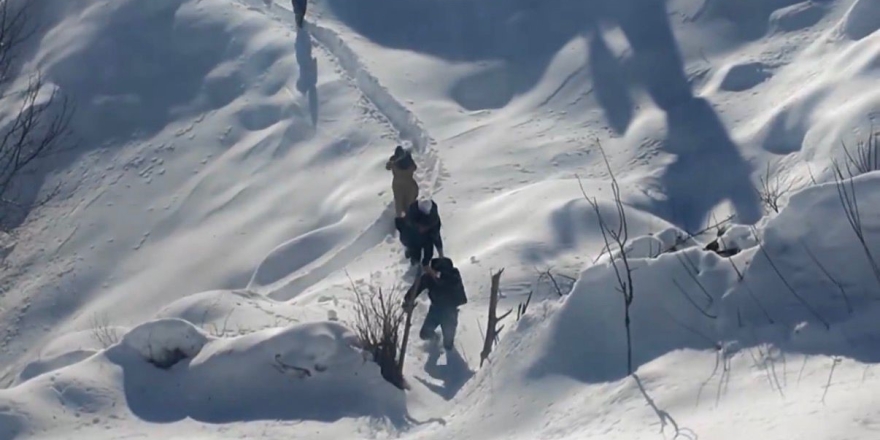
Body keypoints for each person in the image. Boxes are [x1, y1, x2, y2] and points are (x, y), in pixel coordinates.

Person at [403, 257, 467, 350]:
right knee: (425, 334)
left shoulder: (454, 275)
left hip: (450, 312)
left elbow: (447, 282)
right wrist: (408, 300)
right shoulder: (429, 277)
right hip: (435, 310)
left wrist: (436, 275)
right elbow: (417, 287)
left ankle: (449, 353)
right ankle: (436, 340)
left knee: (448, 344)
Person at [406, 198, 443, 269]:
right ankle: (415, 264)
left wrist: (440, 253)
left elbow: (436, 236)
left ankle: (425, 266)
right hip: (414, 235)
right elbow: (406, 231)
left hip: (428, 237)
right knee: (414, 252)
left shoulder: (434, 219)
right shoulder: (412, 214)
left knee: (428, 253)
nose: (423, 229)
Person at [385, 146, 419, 218]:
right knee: (408, 203)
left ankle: (400, 218)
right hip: (409, 185)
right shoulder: (409, 162)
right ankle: (408, 218)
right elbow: (415, 168)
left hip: (398, 185)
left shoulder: (394, 162)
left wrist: (392, 163)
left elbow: (387, 167)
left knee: (400, 203)